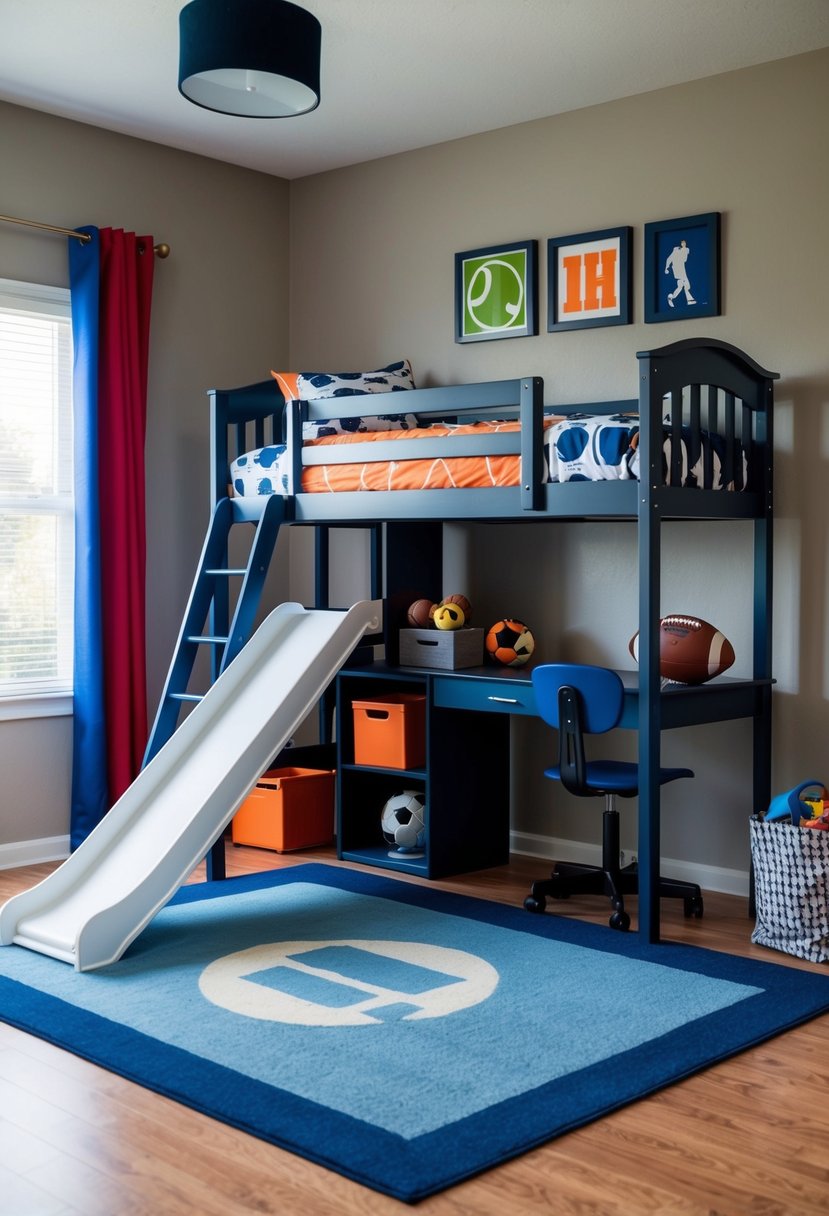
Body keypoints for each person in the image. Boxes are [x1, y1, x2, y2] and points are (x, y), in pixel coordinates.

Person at [664, 238, 696, 307]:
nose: (684, 244)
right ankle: (690, 300)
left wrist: (666, 268)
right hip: (678, 270)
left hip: (680, 269)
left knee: (680, 286)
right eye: (682, 243)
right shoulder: (676, 251)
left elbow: (684, 258)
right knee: (687, 285)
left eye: (684, 243)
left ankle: (671, 297)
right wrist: (666, 268)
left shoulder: (685, 250)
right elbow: (669, 259)